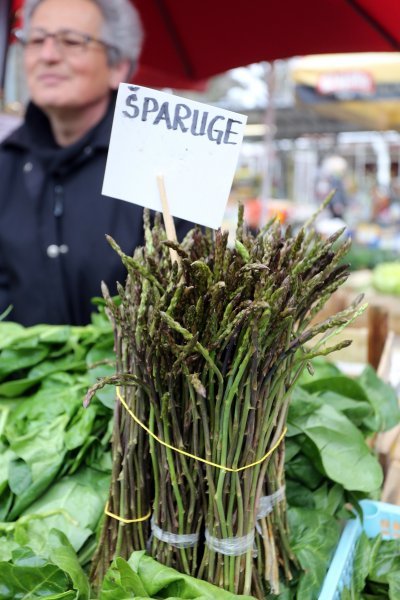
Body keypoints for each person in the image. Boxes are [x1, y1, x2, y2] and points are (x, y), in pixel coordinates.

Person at [0, 0, 193, 326]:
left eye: (72, 41)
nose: (47, 55)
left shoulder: (164, 165)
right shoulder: (6, 163)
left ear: (119, 66)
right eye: (35, 39)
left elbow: (192, 298)